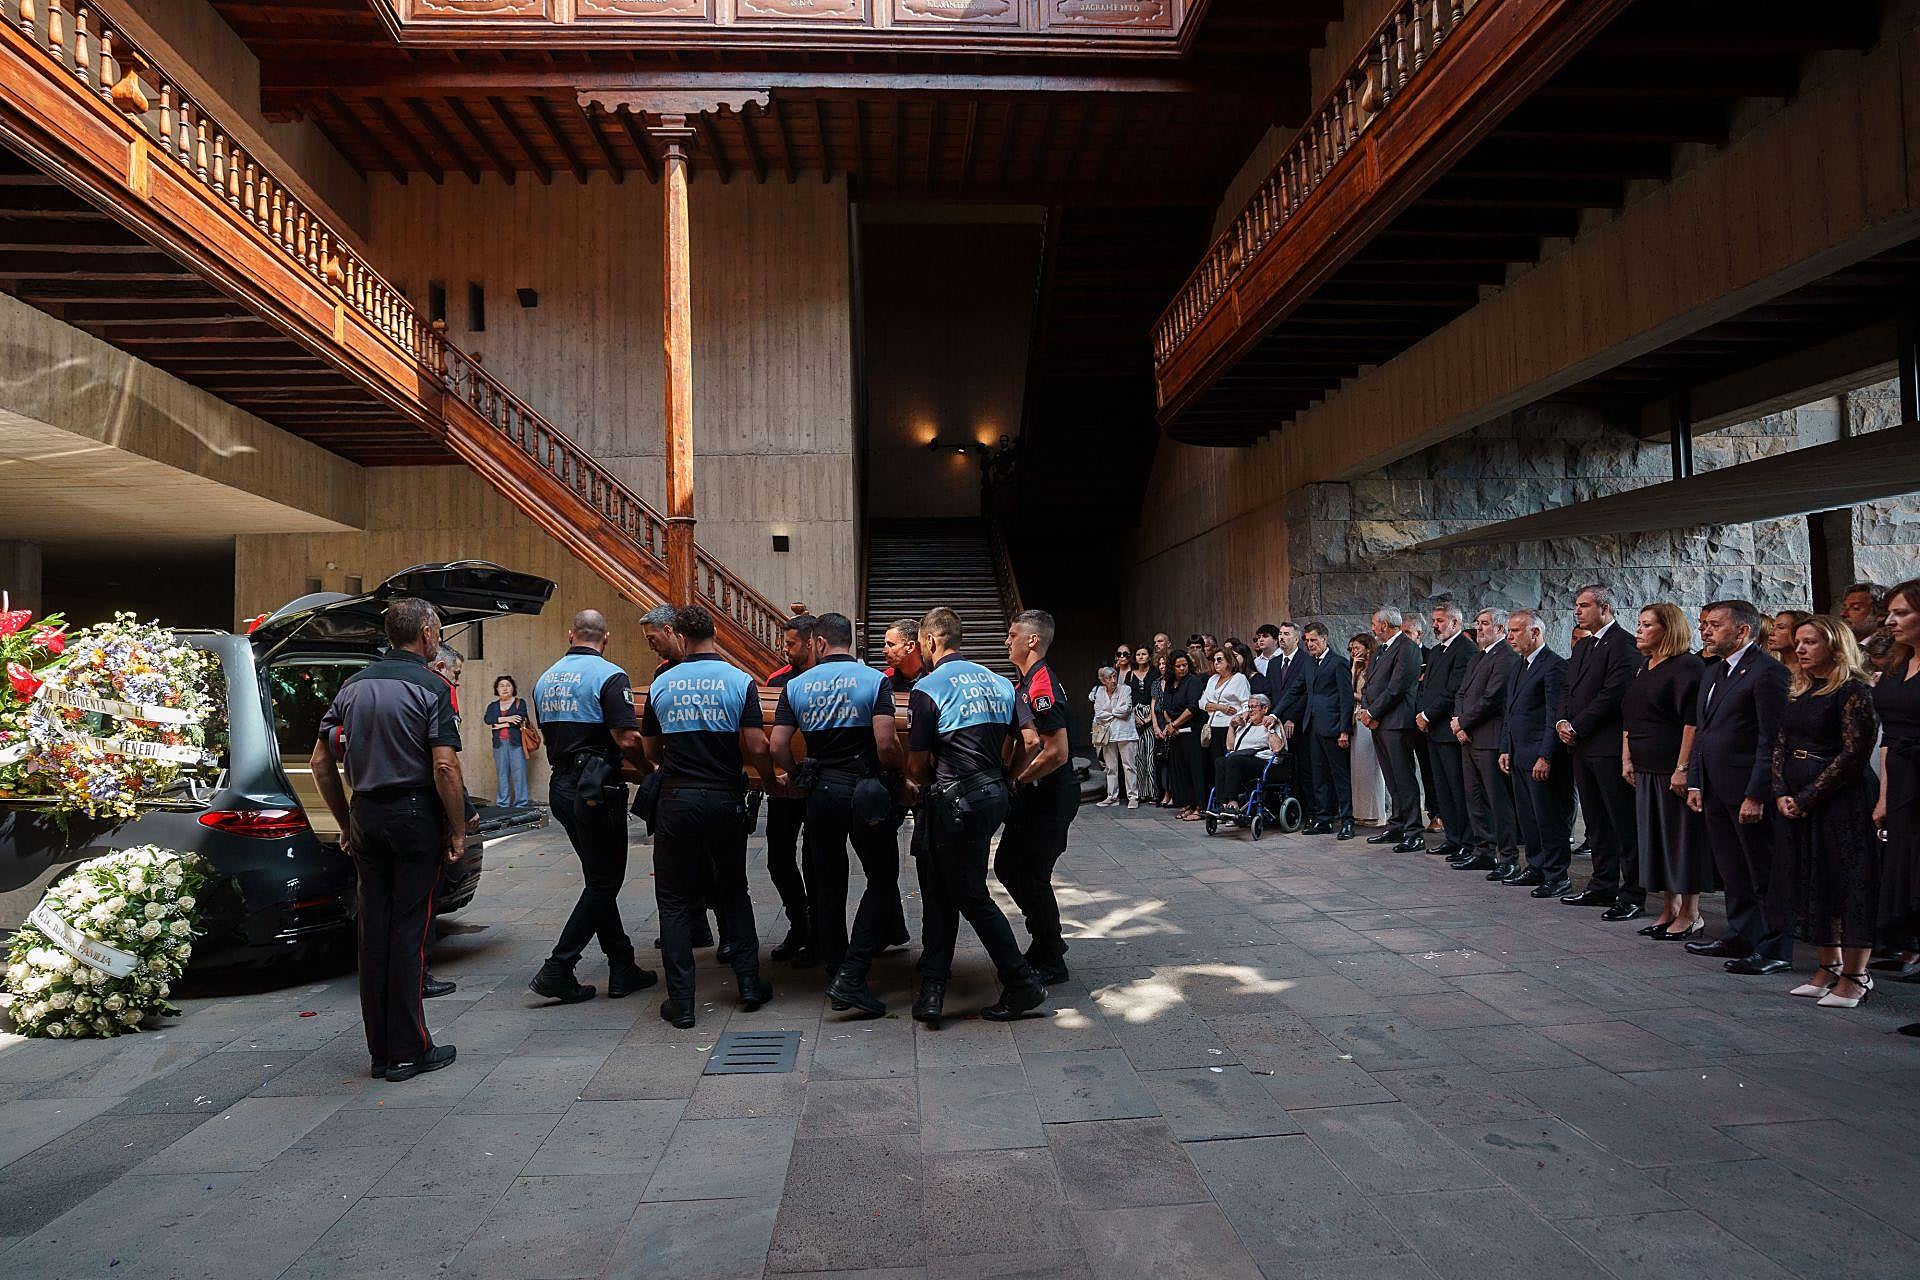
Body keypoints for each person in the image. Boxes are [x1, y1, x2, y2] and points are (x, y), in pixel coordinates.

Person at [309, 598, 465, 1082]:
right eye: (438, 629)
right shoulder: (431, 686)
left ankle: (381, 1051)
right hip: (413, 815)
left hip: (366, 814)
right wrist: (458, 826)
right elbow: (444, 766)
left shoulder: (353, 686)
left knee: (373, 932)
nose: (439, 637)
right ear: (426, 632)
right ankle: (409, 1051)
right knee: (409, 932)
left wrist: (345, 822)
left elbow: (320, 761)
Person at [905, 606, 1048, 1026]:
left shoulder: (928, 688)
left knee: (967, 893)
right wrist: (1008, 775)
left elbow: (916, 763)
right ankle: (932, 988)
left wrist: (919, 783)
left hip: (953, 803)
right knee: (941, 887)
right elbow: (1031, 740)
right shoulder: (1000, 682)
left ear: (931, 641)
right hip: (990, 797)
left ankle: (1020, 980)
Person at [641, 604, 777, 1029]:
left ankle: (681, 1002)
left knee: (674, 899)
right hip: (724, 798)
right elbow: (756, 743)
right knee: (733, 888)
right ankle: (749, 984)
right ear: (714, 634)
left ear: (680, 638)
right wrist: (769, 780)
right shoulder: (739, 680)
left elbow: (650, 749)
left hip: (677, 800)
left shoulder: (662, 684)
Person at [769, 612, 903, 1018]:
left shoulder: (796, 686)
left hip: (821, 792)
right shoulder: (873, 680)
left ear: (819, 643)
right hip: (863, 790)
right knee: (881, 878)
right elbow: (885, 742)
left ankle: (835, 967)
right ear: (849, 641)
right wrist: (897, 777)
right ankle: (854, 970)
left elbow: (777, 745)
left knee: (827, 884)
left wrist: (795, 775)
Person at [529, 609, 658, 1006]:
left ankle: (622, 965)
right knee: (604, 882)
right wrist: (649, 770)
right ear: (606, 638)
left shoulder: (544, 679)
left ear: (571, 635)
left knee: (598, 879)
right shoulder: (609, 676)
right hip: (596, 789)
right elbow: (627, 737)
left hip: (562, 787)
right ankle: (559, 966)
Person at [1770, 615, 1882, 1009]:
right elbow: (1781, 743)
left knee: (1847, 881)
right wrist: (1782, 791)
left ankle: (1856, 975)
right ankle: (1827, 965)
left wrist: (1807, 797)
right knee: (1811, 879)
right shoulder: (1801, 688)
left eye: (1810, 642)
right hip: (1797, 797)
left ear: (1834, 646)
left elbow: (1854, 753)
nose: (1800, 649)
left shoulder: (1853, 691)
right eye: (1798, 641)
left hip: (1842, 801)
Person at [1685, 600, 1794, 976]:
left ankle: (1775, 947)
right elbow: (1704, 731)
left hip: (1747, 788)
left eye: (1715, 625)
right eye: (1705, 625)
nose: (1705, 631)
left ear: (1743, 631)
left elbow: (1772, 738)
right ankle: (1740, 934)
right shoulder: (1714, 671)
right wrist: (1696, 780)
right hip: (1715, 786)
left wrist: (1756, 793)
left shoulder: (1767, 672)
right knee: (1732, 868)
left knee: (1762, 870)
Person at [1556, 584, 1647, 921]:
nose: (1577, 611)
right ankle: (1602, 884)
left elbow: (1613, 693)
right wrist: (1562, 721)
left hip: (1607, 746)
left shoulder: (1623, 644)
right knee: (1595, 822)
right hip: (1581, 746)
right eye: (1576, 605)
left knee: (1622, 822)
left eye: (1584, 606)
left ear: (1604, 608)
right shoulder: (1584, 644)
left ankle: (1633, 892)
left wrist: (1578, 726)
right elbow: (1568, 688)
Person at [1623, 603, 1712, 940]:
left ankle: (1691, 912)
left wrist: (1682, 768)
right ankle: (1669, 907)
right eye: (1639, 623)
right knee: (1656, 841)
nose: (1639, 630)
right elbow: (1630, 716)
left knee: (1681, 841)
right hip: (1645, 767)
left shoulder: (1687, 666)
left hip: (1670, 769)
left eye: (1647, 624)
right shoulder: (1644, 665)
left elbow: (1691, 722)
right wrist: (1626, 757)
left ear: (1668, 629)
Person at [1000, 609, 1079, 984]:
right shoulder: (1028, 681)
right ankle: (1045, 942)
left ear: (1032, 640)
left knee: (1029, 874)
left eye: (1013, 634)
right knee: (1011, 867)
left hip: (1049, 796)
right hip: (1037, 796)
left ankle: (1051, 955)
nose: (1007, 641)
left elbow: (1057, 752)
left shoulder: (1041, 684)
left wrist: (1017, 780)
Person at [1870, 580, 1920, 1025]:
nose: (1889, 621)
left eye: (1901, 613)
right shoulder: (1899, 664)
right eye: (1889, 612)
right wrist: (1885, 795)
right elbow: (1888, 735)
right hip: (1904, 784)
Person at [1500, 610, 1574, 896]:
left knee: (1549, 817)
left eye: (1516, 631)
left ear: (1535, 633)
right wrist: (1506, 748)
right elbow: (1510, 711)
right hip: (1519, 754)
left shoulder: (1553, 666)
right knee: (1529, 817)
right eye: (1509, 631)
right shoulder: (1520, 665)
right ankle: (1535, 866)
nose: (1509, 636)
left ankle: (1557, 875)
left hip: (1541, 756)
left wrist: (1546, 756)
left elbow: (1554, 716)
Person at [763, 614, 819, 966]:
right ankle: (799, 922)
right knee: (778, 857)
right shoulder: (777, 680)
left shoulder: (826, 677)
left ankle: (818, 932)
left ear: (811, 642)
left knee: (816, 861)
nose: (785, 649)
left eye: (791, 644)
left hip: (818, 785)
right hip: (786, 782)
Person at [1450, 607, 1520, 877]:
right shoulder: (1479, 656)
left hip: (1489, 738)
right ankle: (1484, 851)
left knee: (1497, 801)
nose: (1479, 628)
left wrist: (1463, 722)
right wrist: (1459, 723)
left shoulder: (1506, 657)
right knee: (1475, 798)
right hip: (1469, 738)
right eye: (1478, 623)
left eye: (1485, 624)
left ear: (1500, 629)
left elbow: (1492, 699)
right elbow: (1461, 692)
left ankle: (1508, 857)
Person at [1359, 607, 1424, 851]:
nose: (1372, 628)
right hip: (1379, 723)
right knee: (1391, 778)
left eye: (1374, 624)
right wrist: (1367, 710)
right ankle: (1396, 826)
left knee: (1404, 778)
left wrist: (1372, 713)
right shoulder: (1380, 650)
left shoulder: (1407, 648)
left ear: (1385, 625)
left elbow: (1397, 688)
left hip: (1397, 723)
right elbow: (1368, 684)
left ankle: (1414, 831)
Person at [1416, 602, 1474, 858]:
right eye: (1434, 621)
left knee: (1457, 788)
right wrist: (1422, 713)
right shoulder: (1437, 651)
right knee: (1442, 789)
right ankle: (1452, 837)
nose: (1435, 626)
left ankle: (1466, 841)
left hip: (1448, 730)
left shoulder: (1465, 649)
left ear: (1455, 622)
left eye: (1440, 621)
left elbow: (1453, 691)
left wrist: (1427, 715)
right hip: (1432, 730)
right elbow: (1426, 687)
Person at [1300, 624, 1355, 839]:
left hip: (1333, 728)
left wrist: (1344, 730)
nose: (1310, 644)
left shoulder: (1338, 662)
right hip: (1313, 726)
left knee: (1340, 776)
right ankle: (1324, 819)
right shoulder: (1308, 663)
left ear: (1325, 639)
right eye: (1307, 640)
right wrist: (1275, 714)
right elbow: (1297, 690)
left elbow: (1346, 698)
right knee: (1319, 775)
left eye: (1313, 640)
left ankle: (1347, 820)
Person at [1347, 634, 1388, 827]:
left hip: (1367, 718)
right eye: (1352, 649)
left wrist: (1355, 694)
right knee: (1358, 768)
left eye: (1357, 648)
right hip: (1355, 720)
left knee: (1371, 767)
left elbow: (1367, 696)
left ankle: (1375, 814)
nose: (1354, 652)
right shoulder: (1357, 669)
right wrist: (1353, 669)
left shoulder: (1375, 668)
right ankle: (1361, 812)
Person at [1199, 648, 1251, 801]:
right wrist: (1220, 707)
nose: (1216, 663)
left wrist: (1240, 719)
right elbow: (1202, 703)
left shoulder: (1239, 679)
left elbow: (1246, 703)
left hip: (1230, 727)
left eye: (1219, 659)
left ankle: (1230, 800)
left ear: (1229, 661)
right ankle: (1219, 800)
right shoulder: (1212, 679)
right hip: (1213, 726)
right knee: (1216, 764)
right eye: (1214, 660)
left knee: (1228, 764)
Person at [1213, 694, 1282, 808]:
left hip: (1264, 763)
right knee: (1220, 761)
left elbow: (1277, 749)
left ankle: (1233, 802)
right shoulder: (1245, 724)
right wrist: (1231, 727)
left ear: (1265, 709)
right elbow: (1230, 747)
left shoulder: (1273, 722)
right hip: (1241, 762)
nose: (1250, 710)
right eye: (1249, 707)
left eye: (1254, 707)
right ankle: (1222, 804)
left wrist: (1270, 729)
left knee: (1235, 761)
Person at [1161, 652, 1204, 818]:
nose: (1182, 669)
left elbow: (1192, 707)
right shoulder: (1169, 683)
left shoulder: (1193, 681)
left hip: (1190, 731)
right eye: (1178, 666)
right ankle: (1186, 804)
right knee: (1179, 770)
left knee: (1194, 769)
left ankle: (1199, 806)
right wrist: (1170, 724)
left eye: (1184, 665)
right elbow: (1165, 706)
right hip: (1175, 732)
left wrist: (1174, 724)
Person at [1090, 666, 1139, 807]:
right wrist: (1116, 711)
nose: (1113, 680)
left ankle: (1133, 797)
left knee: (1129, 766)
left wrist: (1109, 711)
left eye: (1114, 676)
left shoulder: (1125, 689)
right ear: (1103, 680)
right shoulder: (1099, 691)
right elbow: (1098, 714)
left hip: (1125, 733)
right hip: (1108, 734)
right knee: (1111, 767)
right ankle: (1112, 797)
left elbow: (1126, 710)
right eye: (1109, 678)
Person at [483, 675, 532, 809]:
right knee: (502, 774)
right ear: (497, 689)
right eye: (501, 686)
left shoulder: (519, 703)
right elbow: (488, 719)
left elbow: (520, 719)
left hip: (516, 743)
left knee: (519, 773)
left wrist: (499, 724)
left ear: (513, 688)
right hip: (499, 744)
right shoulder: (493, 706)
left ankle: (521, 803)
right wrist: (508, 719)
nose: (505, 688)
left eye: (508, 685)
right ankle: (502, 803)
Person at [1842, 581, 1896, 676]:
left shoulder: (1893, 649)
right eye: (1844, 607)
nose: (1843, 614)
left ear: (1880, 615)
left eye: (1856, 608)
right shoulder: (1841, 645)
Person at [1128, 645, 1158, 806]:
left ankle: (1153, 792)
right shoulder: (1130, 674)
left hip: (1150, 713)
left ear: (1149, 656)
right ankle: (1141, 792)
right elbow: (1127, 697)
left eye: (1144, 654)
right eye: (1138, 654)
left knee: (1150, 754)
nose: (1141, 656)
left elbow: (1157, 697)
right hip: (1134, 715)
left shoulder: (1154, 673)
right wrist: (1134, 716)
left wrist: (1148, 719)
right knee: (1138, 755)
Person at [1768, 609, 1812, 674]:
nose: (1771, 633)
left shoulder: (1815, 670)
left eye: (1781, 627)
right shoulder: (1771, 669)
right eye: (1772, 627)